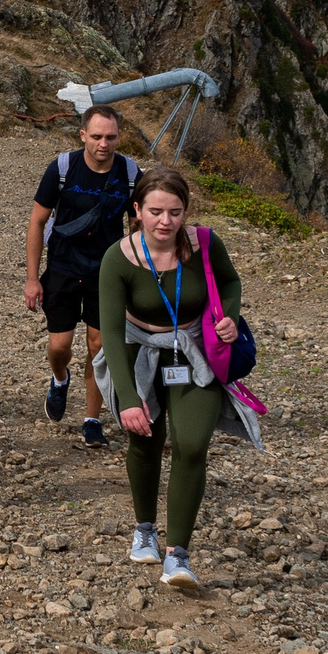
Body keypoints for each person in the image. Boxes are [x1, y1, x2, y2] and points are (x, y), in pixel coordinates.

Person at [97, 167, 260, 588]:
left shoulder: (205, 244)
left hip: (193, 350)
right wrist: (129, 398)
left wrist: (227, 317)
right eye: (155, 211)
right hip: (137, 353)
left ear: (185, 211)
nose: (165, 221)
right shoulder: (118, 258)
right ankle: (145, 528)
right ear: (137, 211)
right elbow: (111, 334)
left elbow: (229, 282)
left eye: (175, 212)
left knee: (191, 444)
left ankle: (178, 555)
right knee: (145, 441)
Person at [24, 105, 139, 449]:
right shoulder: (62, 168)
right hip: (62, 267)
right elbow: (37, 222)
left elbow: (138, 226)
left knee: (99, 346)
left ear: (119, 137)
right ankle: (60, 379)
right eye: (97, 136)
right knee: (59, 346)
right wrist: (32, 278)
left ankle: (92, 419)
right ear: (83, 135)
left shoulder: (130, 173)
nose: (104, 144)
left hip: (107, 272)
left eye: (111, 137)